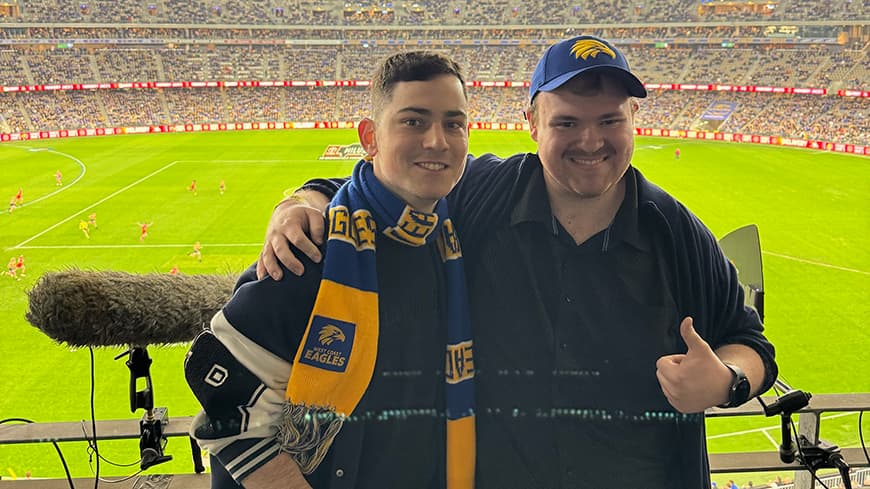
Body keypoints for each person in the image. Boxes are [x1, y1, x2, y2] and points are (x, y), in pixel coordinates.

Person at [259, 35, 778, 488]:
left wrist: (726, 381)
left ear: (634, 119)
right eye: (567, 122)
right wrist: (305, 201)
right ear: (531, 123)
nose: (590, 141)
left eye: (609, 121)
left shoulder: (674, 230)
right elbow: (385, 189)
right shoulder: (481, 194)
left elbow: (750, 343)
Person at [185, 51, 474, 489]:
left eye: (454, 123)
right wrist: (300, 202)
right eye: (414, 121)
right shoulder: (311, 248)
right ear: (370, 137)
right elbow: (223, 394)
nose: (437, 141)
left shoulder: (454, 230)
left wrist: (309, 193)